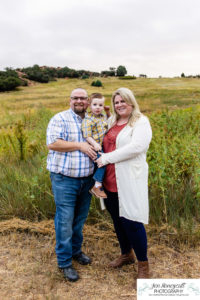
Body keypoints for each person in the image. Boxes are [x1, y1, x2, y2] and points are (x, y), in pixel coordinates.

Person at [96, 87, 152, 287]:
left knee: (133, 222)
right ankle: (126, 254)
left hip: (129, 180)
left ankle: (143, 265)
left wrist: (106, 158)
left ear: (131, 102)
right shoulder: (112, 122)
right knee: (118, 221)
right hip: (110, 180)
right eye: (116, 102)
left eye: (123, 101)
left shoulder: (140, 121)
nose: (119, 105)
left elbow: (137, 147)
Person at [46, 88, 97, 282]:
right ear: (70, 100)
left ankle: (76, 251)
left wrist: (108, 112)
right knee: (65, 221)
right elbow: (53, 143)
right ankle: (65, 262)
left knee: (79, 219)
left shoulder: (92, 120)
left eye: (83, 98)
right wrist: (80, 145)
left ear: (88, 101)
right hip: (64, 179)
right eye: (75, 98)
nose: (79, 101)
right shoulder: (60, 118)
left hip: (87, 179)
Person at [81, 93, 110, 199]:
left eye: (100, 105)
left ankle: (100, 184)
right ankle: (97, 186)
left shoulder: (102, 117)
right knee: (103, 163)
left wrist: (107, 112)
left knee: (105, 163)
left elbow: (108, 122)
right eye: (95, 104)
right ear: (89, 105)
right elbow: (87, 136)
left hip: (103, 145)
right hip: (94, 146)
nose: (98, 107)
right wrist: (95, 144)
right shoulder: (88, 120)